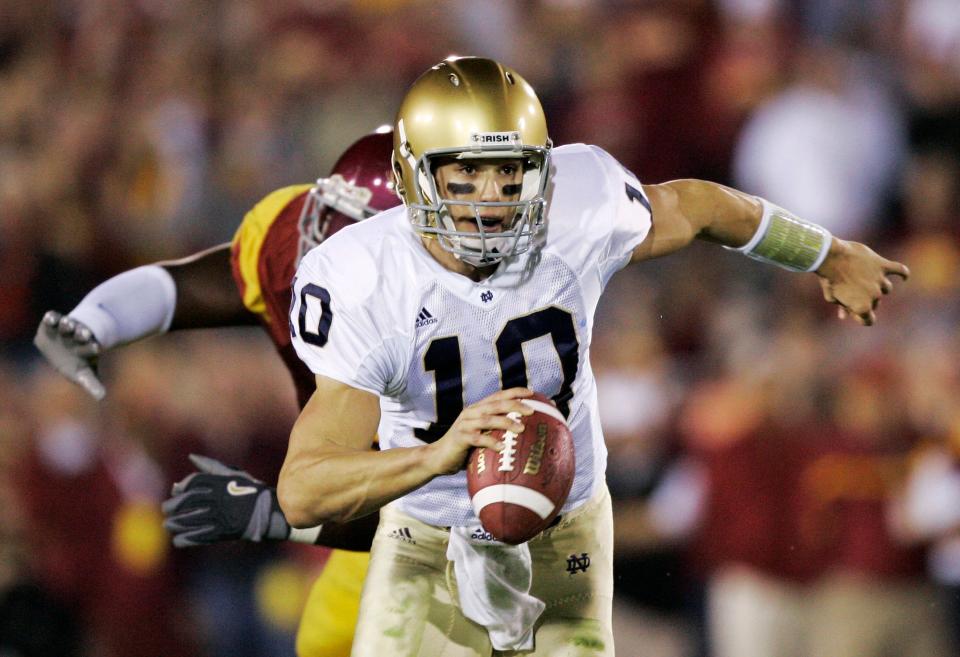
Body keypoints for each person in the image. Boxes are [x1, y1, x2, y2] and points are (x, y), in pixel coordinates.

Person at [278, 56, 908, 657]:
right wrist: (437, 456)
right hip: (427, 533)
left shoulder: (578, 204)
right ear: (414, 173)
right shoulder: (364, 275)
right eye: (464, 174)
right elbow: (302, 491)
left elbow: (704, 207)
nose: (491, 199)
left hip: (564, 523)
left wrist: (828, 254)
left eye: (510, 171)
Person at [33, 129, 400, 657]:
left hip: (476, 545)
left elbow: (432, 513)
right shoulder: (287, 242)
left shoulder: (469, 335)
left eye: (358, 243)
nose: (330, 255)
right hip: (361, 539)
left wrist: (272, 512)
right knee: (324, 640)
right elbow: (193, 285)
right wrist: (99, 319)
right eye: (332, 225)